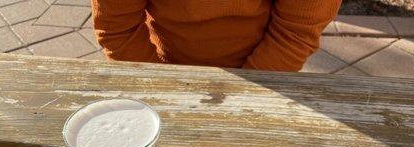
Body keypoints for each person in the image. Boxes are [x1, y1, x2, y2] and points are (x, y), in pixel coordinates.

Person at [92, 0, 340, 72]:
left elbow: (294, 34)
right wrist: (163, 86)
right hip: (161, 67)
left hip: (267, 73)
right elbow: (118, 29)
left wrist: (244, 98)